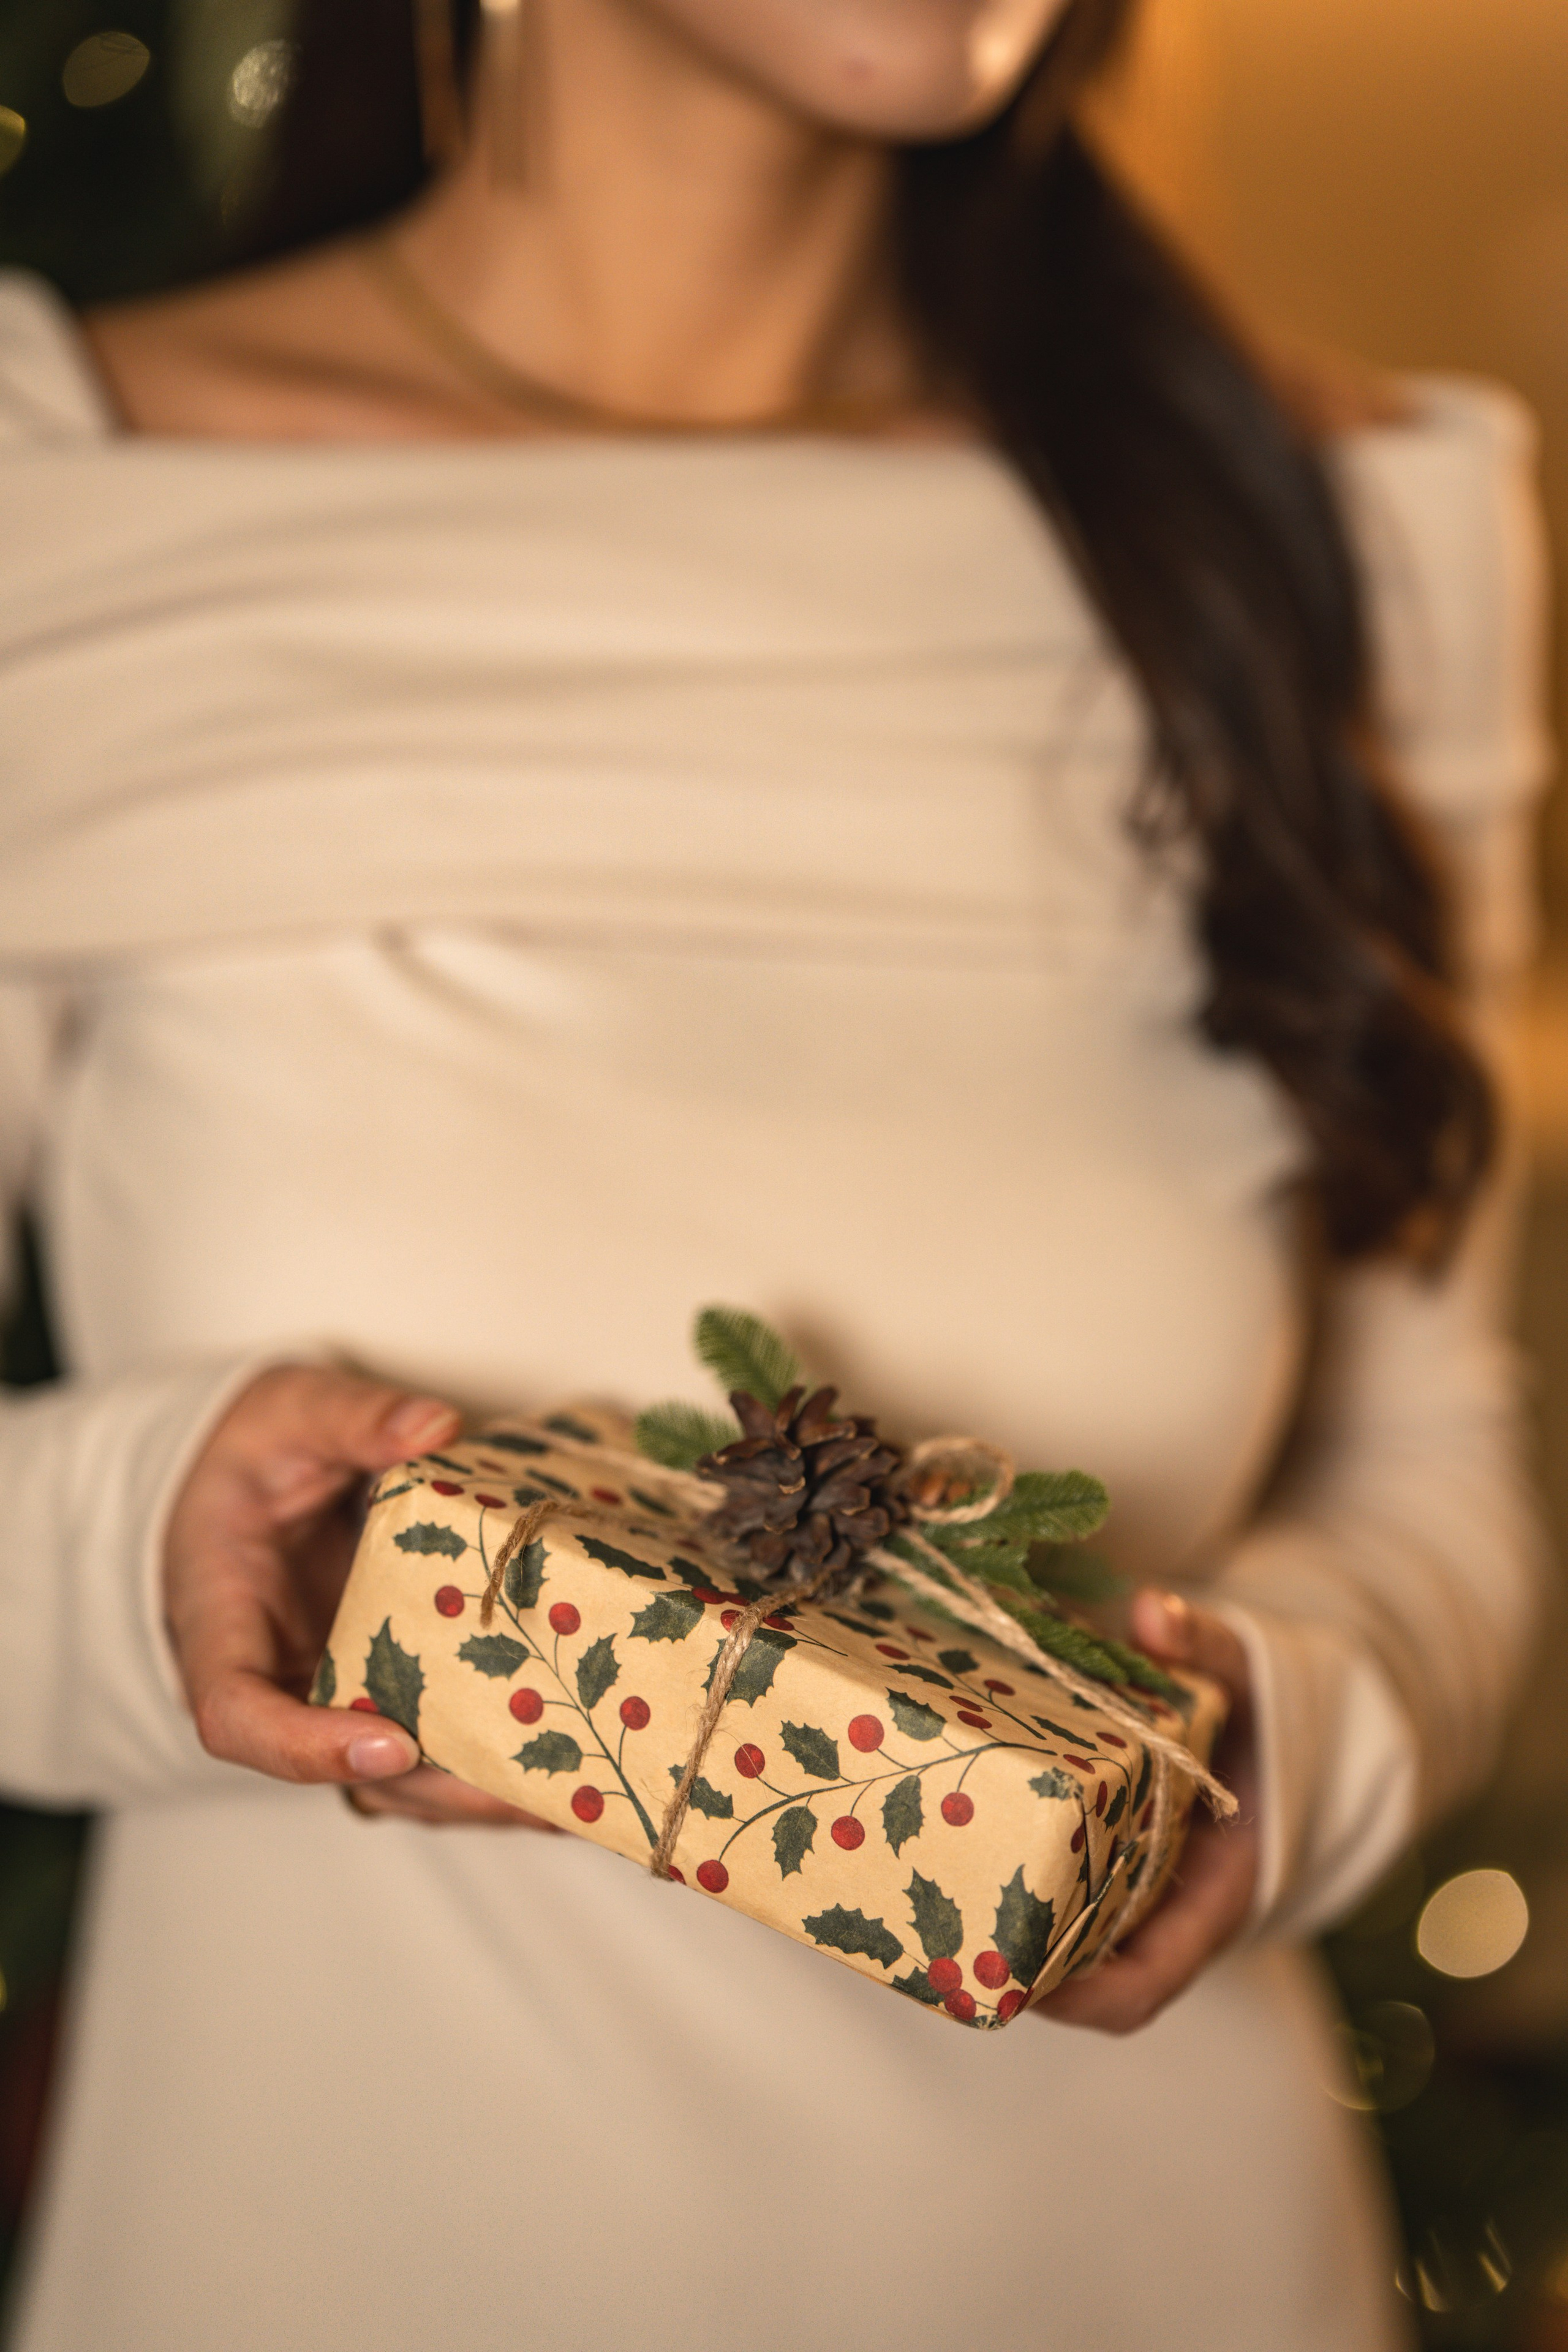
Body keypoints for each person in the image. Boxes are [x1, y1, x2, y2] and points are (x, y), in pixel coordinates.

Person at [0, 0, 1548, 2344]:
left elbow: (1440, 1473)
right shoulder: (60, 490)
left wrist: (1276, 1753)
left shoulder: (1349, 522)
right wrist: (145, 1542)